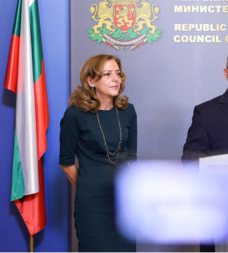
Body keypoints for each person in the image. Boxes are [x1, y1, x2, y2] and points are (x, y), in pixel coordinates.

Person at [59, 54, 137, 252]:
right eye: (108, 74)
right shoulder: (75, 114)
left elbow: (131, 159)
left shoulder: (128, 111)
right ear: (91, 80)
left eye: (118, 74)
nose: (115, 79)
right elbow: (66, 162)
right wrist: (89, 185)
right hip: (92, 204)